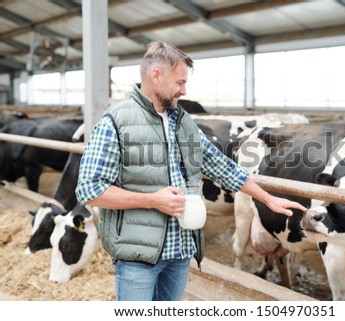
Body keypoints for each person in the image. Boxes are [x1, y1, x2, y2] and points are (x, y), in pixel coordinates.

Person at [75, 41, 307, 301]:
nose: (184, 91)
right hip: (138, 257)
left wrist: (268, 198)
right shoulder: (115, 122)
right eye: (179, 83)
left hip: (181, 251)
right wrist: (151, 200)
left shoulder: (182, 121)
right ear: (155, 76)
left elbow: (221, 166)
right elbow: (89, 190)